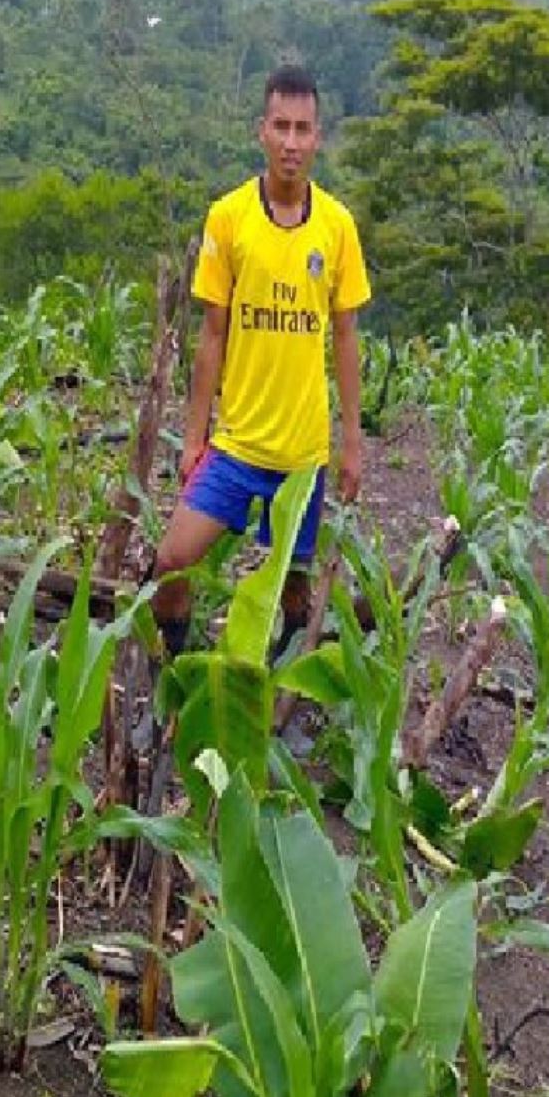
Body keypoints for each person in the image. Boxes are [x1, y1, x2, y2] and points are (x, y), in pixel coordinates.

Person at [150, 64, 372, 663]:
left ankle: (278, 698)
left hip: (302, 456)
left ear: (318, 137)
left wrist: (351, 442)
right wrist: (193, 438)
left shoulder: (337, 226)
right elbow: (212, 337)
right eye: (281, 127)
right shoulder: (229, 219)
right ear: (262, 132)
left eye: (304, 129)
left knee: (293, 586)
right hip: (237, 446)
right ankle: (171, 676)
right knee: (171, 563)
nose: (292, 142)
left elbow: (346, 339)